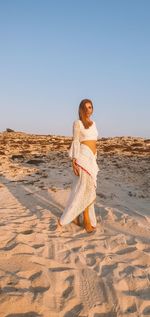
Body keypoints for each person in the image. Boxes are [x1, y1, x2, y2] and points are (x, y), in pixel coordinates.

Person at [57, 99, 99, 233]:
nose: (88, 110)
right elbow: (75, 141)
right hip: (82, 158)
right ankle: (86, 218)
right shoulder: (78, 123)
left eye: (90, 107)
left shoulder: (94, 124)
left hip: (92, 159)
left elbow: (94, 141)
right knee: (86, 189)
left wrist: (95, 158)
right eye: (85, 108)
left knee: (86, 188)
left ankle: (75, 216)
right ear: (81, 109)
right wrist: (73, 161)